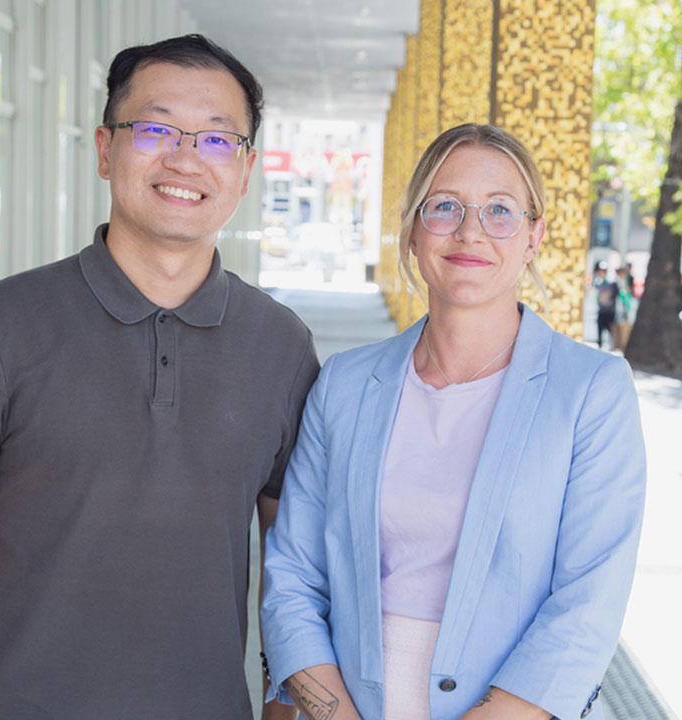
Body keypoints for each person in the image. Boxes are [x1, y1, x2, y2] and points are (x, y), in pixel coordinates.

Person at [0, 34, 314, 719]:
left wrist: (285, 708)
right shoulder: (0, 326)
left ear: (245, 169)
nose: (183, 158)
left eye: (215, 139)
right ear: (104, 148)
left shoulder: (281, 345)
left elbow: (294, 566)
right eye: (154, 128)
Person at [260, 124, 647, 720]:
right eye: (444, 207)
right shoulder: (343, 384)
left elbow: (587, 606)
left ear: (534, 236)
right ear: (414, 232)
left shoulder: (591, 391)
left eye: (500, 211)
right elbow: (290, 578)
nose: (470, 230)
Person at [592, 261, 619, 350]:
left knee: (610, 329)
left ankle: (613, 345)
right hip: (601, 311)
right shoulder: (598, 282)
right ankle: (600, 345)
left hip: (610, 311)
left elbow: (613, 295)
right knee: (600, 330)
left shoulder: (611, 283)